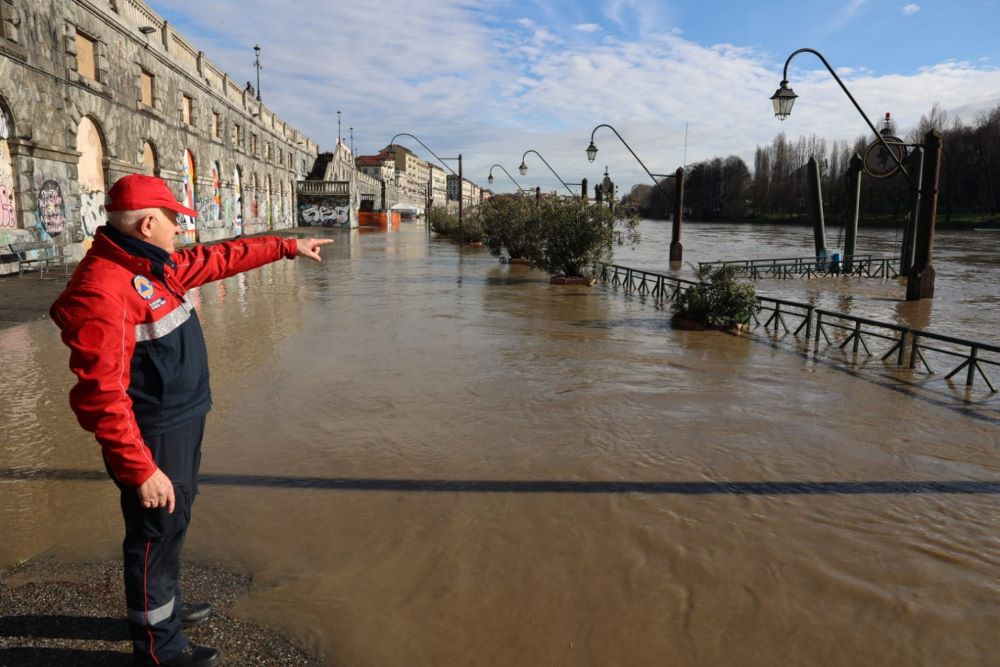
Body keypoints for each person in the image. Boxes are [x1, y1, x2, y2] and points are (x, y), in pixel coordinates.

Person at [50, 174, 332, 667]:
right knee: (156, 529)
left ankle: (166, 610)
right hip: (152, 433)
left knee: (174, 522)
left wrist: (287, 247)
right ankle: (160, 647)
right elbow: (102, 396)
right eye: (175, 220)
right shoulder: (103, 289)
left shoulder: (150, 264)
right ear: (148, 222)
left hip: (181, 419)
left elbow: (217, 259)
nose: (181, 230)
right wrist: (140, 469)